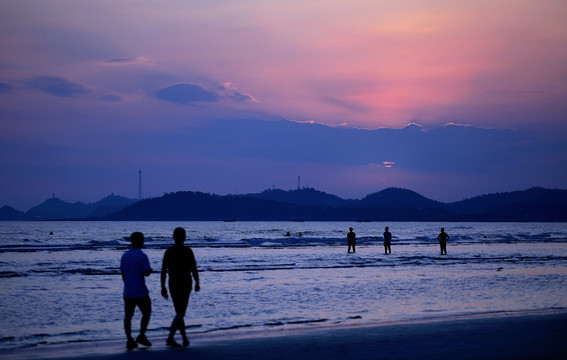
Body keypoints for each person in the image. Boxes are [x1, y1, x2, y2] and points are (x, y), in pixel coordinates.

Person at [161, 227, 200, 347]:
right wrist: (197, 282)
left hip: (173, 284)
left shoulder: (169, 252)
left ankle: (184, 338)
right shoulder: (188, 251)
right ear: (184, 237)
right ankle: (170, 337)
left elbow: (163, 271)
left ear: (173, 237)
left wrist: (163, 287)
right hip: (185, 283)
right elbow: (193, 268)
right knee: (181, 312)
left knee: (179, 311)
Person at [120, 232, 152, 349]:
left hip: (128, 291)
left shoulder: (125, 256)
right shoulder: (142, 256)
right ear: (140, 241)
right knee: (147, 312)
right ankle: (141, 335)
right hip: (140, 290)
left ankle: (129, 339)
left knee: (128, 316)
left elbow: (123, 275)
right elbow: (146, 272)